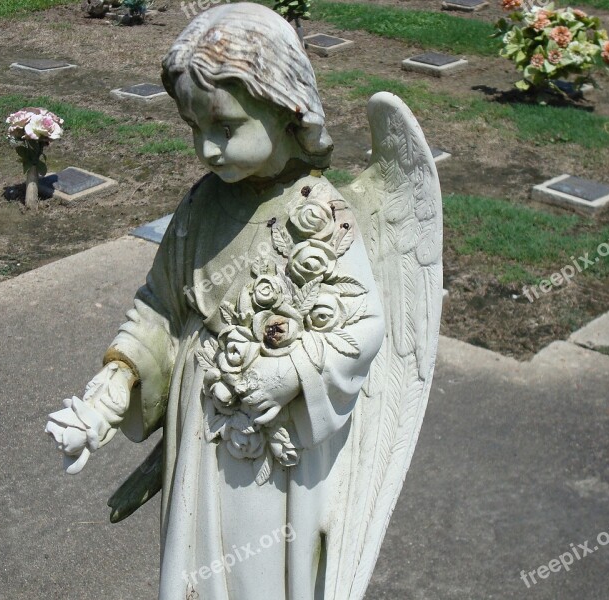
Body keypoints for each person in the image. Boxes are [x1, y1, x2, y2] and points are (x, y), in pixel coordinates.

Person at [46, 4, 385, 598]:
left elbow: (363, 327)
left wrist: (290, 373)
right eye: (193, 128)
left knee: (259, 573)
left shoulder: (319, 215)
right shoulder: (202, 204)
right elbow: (160, 306)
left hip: (268, 444)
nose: (206, 148)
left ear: (285, 109)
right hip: (197, 424)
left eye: (225, 128)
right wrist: (110, 392)